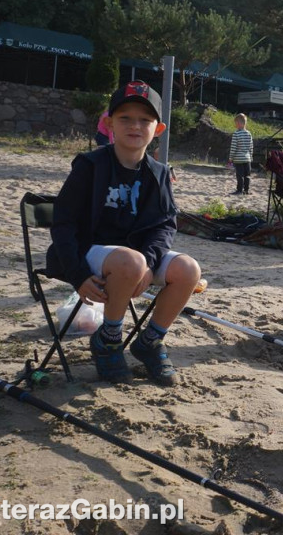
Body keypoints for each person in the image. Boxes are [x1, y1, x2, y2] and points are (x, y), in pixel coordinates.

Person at [48, 81, 203, 386]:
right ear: (108, 125)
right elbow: (63, 224)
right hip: (88, 253)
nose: (135, 126)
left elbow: (164, 226)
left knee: (189, 269)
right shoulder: (89, 166)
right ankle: (108, 339)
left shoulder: (159, 174)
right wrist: (78, 275)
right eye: (125, 118)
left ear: (158, 129)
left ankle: (150, 342)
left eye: (145, 120)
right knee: (130, 262)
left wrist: (148, 260)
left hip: (135, 258)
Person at [228, 113, 253, 195]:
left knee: (240, 175)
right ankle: (246, 190)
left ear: (239, 123)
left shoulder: (236, 134)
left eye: (236, 123)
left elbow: (233, 147)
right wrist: (251, 157)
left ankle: (239, 190)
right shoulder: (249, 134)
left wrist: (231, 158)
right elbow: (251, 147)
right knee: (247, 175)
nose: (235, 125)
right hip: (247, 159)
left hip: (238, 159)